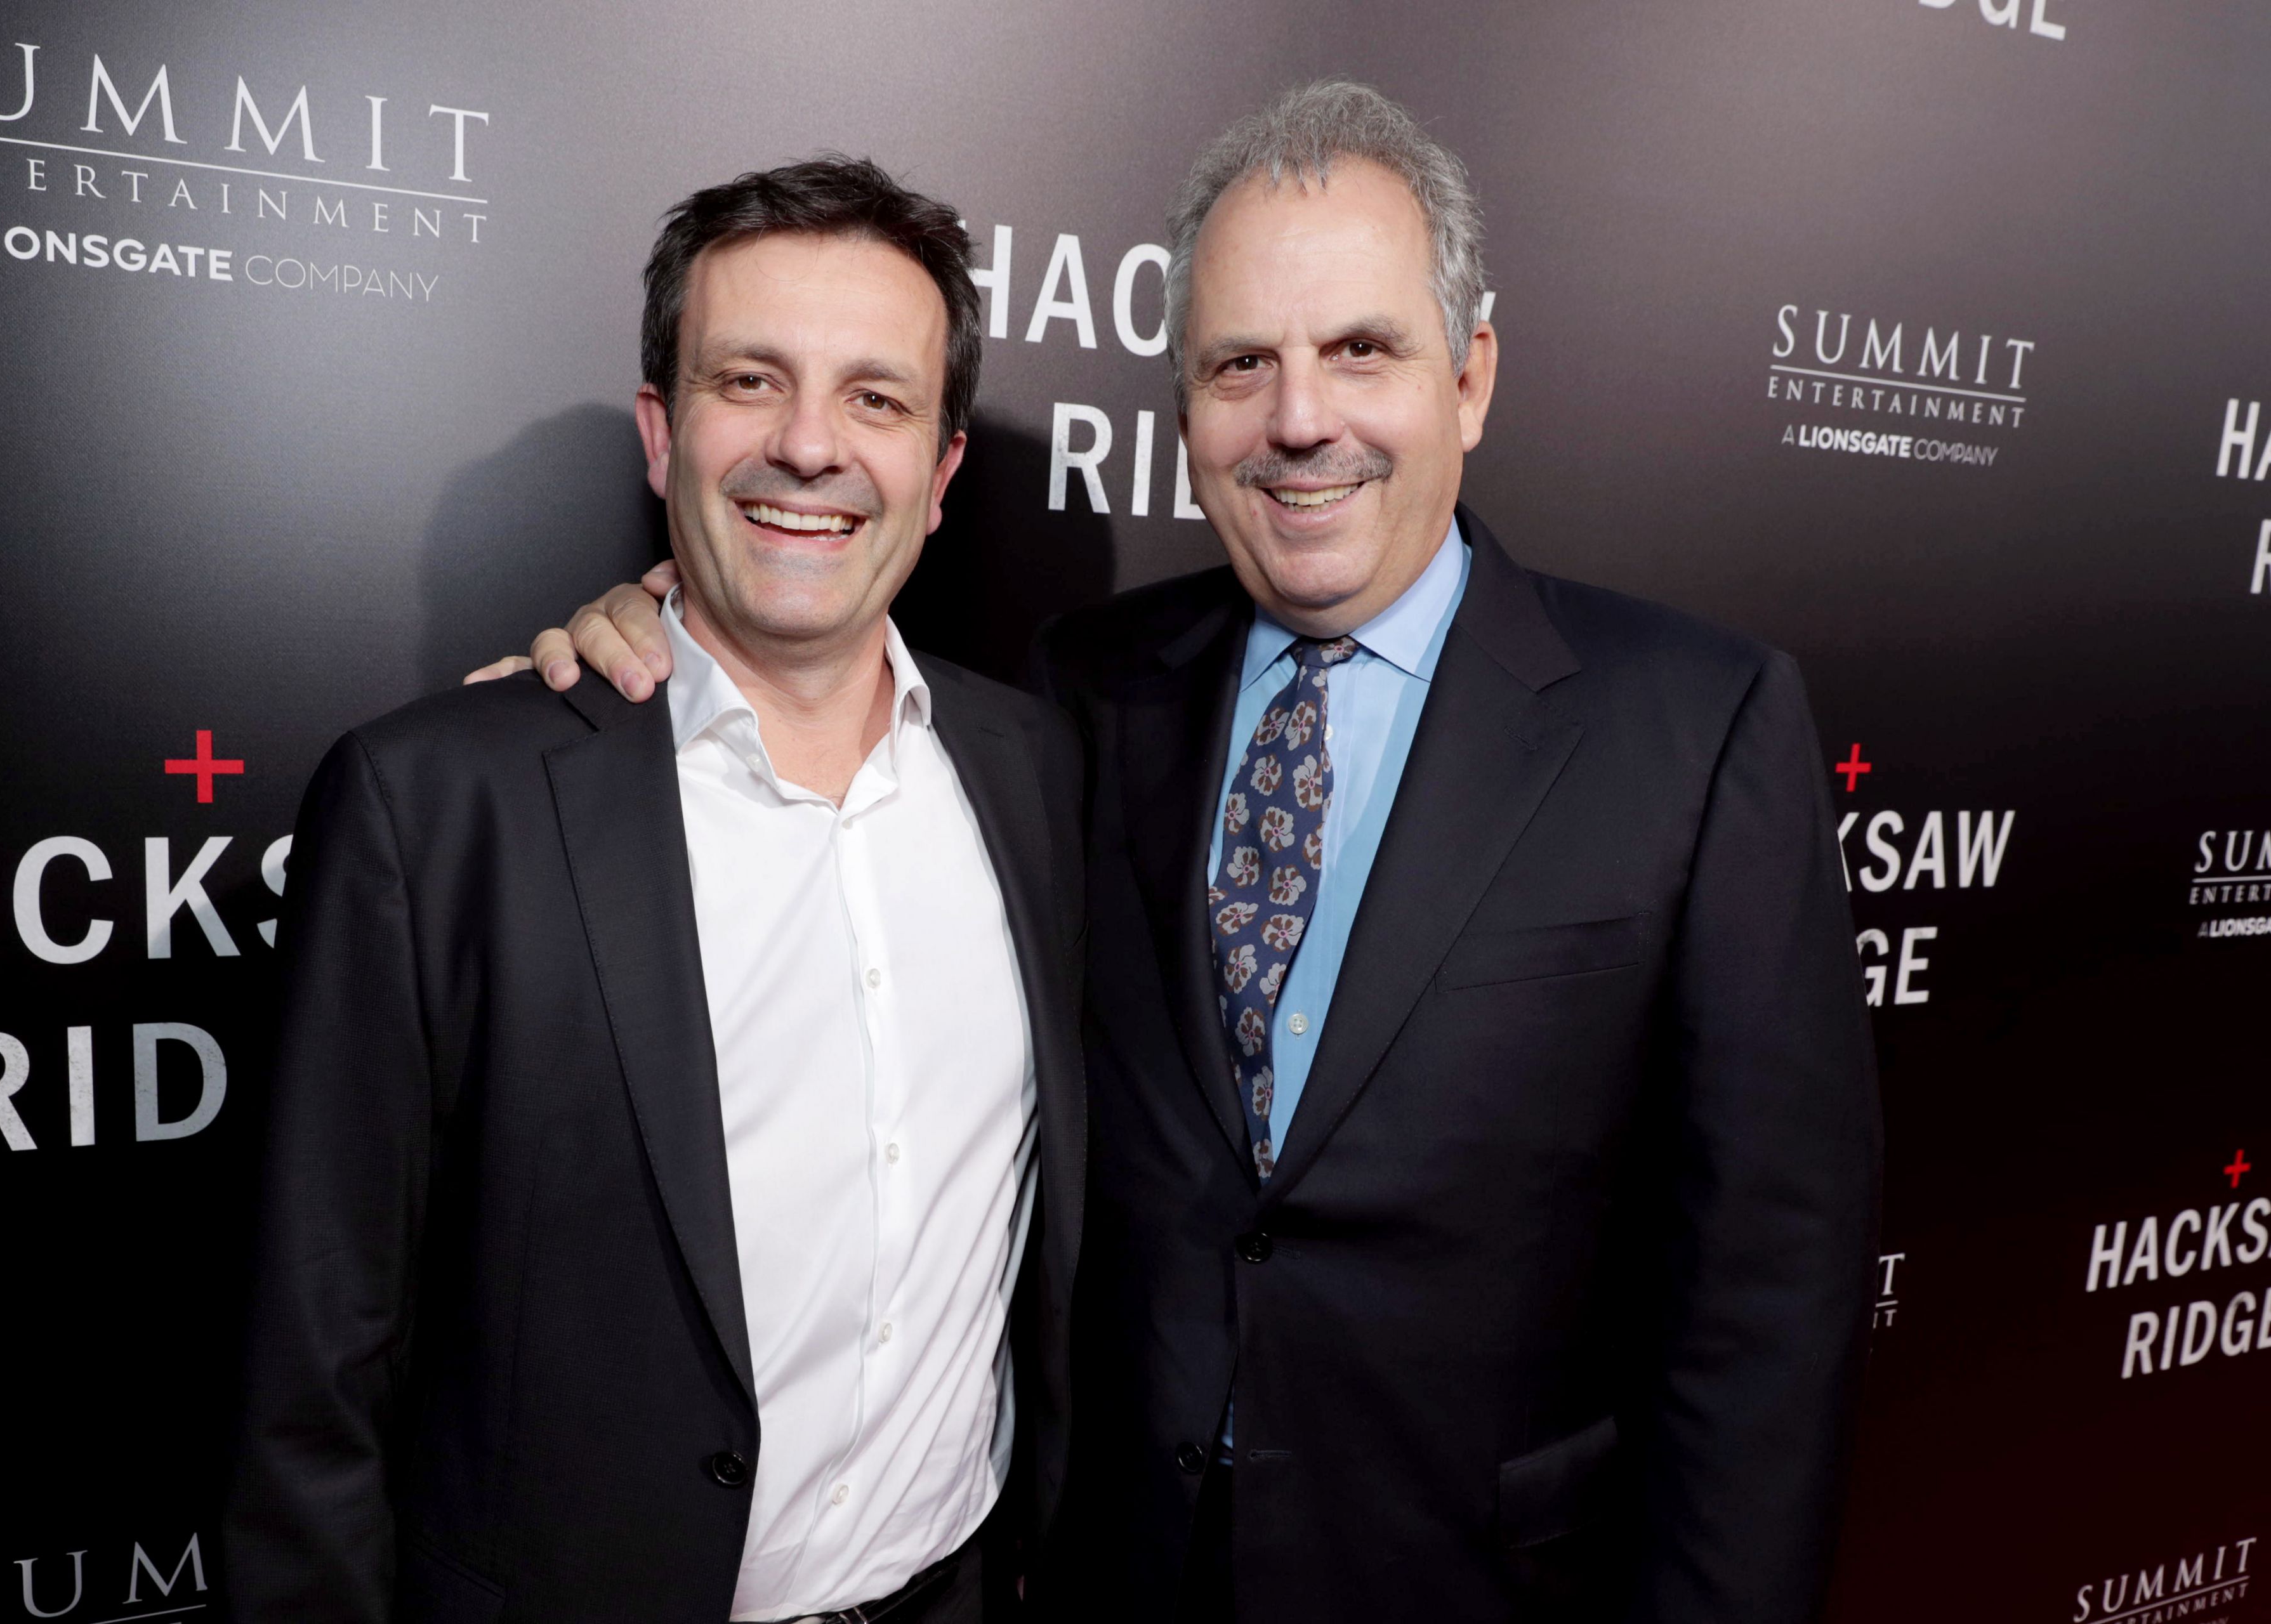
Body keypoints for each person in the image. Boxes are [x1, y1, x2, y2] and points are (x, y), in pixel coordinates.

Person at [479, 82, 1881, 1623]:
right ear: (1186, 405)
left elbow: (1768, 1299)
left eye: (1363, 348)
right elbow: (806, 642)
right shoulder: (1080, 690)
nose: (1299, 417)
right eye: (1239, 363)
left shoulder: (1697, 722)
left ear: (1471, 374)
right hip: (1106, 1570)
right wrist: (647, 635)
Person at [230, 157, 1087, 1624]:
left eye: (876, 398)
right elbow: (311, 1379)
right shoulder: (441, 807)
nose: (808, 446)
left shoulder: (1035, 770)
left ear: (941, 477)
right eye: (749, 380)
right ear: (662, 431)